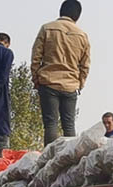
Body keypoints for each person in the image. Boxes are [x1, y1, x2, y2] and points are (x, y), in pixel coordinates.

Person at [31, 0, 90, 146]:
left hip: (49, 81)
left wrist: (36, 77)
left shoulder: (47, 28)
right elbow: (85, 65)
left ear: (61, 11)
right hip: (70, 85)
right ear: (77, 16)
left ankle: (49, 161)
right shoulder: (82, 35)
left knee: (51, 123)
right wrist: (80, 83)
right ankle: (69, 160)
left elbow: (36, 57)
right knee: (69, 125)